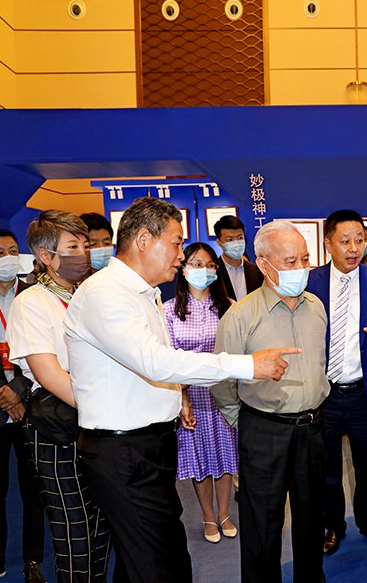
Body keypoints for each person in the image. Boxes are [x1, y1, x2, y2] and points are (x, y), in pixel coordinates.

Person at [63, 197, 299, 583]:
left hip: (147, 446)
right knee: (158, 565)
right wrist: (247, 365)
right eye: (175, 243)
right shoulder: (106, 293)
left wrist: (178, 397)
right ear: (143, 240)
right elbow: (155, 361)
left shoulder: (144, 294)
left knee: (151, 558)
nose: (180, 255)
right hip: (123, 450)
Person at [211, 220, 330, 583]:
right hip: (264, 430)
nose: (301, 269)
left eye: (305, 260)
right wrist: (244, 420)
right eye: (290, 262)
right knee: (262, 524)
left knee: (312, 519)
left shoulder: (316, 307)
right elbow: (222, 380)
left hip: (312, 429)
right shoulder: (241, 316)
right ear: (264, 264)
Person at [6, 211, 111, 583]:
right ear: (46, 256)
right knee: (74, 529)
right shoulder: (31, 302)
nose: (83, 254)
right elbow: (47, 373)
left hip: (97, 422)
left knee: (101, 524)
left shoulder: (88, 294)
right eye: (72, 247)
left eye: (85, 245)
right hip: (58, 425)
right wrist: (102, 408)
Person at [306, 210, 367, 557]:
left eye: (359, 241)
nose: (353, 249)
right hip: (324, 395)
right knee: (327, 470)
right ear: (328, 243)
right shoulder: (311, 281)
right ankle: (333, 526)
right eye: (345, 241)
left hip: (364, 392)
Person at [163, 242, 239, 544]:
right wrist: (182, 399)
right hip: (191, 396)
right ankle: (208, 516)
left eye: (209, 265)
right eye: (195, 264)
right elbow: (167, 359)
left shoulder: (229, 307)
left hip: (224, 394)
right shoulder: (168, 311)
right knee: (200, 460)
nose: (203, 270)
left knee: (226, 457)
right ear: (183, 269)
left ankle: (225, 513)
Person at [0, 229, 46, 583]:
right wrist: (3, 391)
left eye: (12, 250)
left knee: (33, 488)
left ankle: (33, 559)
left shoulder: (34, 296)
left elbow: (45, 347)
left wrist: (19, 389)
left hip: (31, 403)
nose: (7, 257)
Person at [214, 215, 263, 300]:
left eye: (240, 238)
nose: (236, 243)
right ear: (219, 243)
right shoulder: (214, 271)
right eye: (230, 240)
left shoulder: (256, 271)